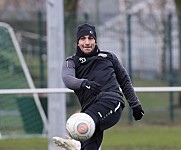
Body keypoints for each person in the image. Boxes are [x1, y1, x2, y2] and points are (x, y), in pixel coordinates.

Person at [53, 23, 144, 150]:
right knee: (89, 146)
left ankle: (76, 141)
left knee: (84, 122)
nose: (87, 42)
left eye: (90, 38)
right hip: (89, 110)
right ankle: (79, 145)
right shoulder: (71, 62)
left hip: (111, 102)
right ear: (77, 42)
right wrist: (85, 83)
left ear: (95, 40)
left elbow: (124, 81)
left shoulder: (109, 57)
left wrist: (135, 104)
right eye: (83, 38)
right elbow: (68, 79)